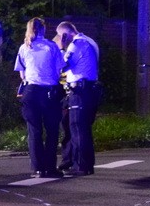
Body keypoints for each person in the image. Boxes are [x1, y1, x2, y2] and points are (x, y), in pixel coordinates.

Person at [14, 18, 65, 178]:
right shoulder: (51, 47)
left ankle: (37, 168)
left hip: (30, 92)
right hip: (49, 92)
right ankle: (50, 167)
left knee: (34, 130)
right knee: (52, 130)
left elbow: (21, 73)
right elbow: (59, 71)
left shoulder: (24, 47)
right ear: (43, 29)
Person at [56, 21, 100, 175]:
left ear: (65, 35)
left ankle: (81, 166)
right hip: (89, 90)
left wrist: (61, 48)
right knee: (80, 127)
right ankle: (79, 162)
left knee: (77, 128)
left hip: (80, 91)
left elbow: (62, 66)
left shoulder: (76, 45)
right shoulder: (90, 41)